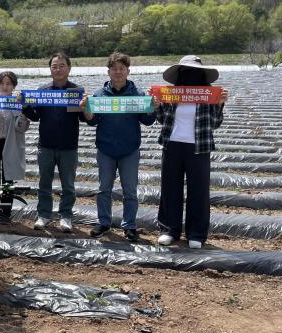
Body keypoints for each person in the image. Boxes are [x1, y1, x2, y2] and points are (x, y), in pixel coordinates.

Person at [79, 53, 155, 242]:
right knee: (104, 188)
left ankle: (129, 225)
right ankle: (103, 222)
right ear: (109, 72)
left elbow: (147, 120)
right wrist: (86, 110)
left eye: (122, 68)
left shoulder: (138, 95)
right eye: (114, 69)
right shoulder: (99, 95)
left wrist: (152, 107)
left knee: (130, 191)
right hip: (106, 149)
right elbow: (92, 121)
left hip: (129, 150)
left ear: (128, 71)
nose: (118, 72)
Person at [154, 55, 228, 249]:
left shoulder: (210, 94)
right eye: (186, 72)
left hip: (199, 146)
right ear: (179, 74)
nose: (190, 76)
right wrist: (156, 106)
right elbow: (163, 119)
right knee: (170, 188)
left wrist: (219, 105)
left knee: (199, 190)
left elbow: (215, 124)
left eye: (194, 72)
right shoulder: (171, 93)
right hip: (172, 144)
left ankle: (196, 233)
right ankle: (169, 230)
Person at [22, 53, 86, 232]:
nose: (58, 69)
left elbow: (84, 117)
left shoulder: (76, 91)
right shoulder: (43, 90)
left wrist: (85, 106)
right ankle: (44, 214)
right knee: (44, 183)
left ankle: (66, 216)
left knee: (69, 185)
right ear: (50, 69)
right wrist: (25, 105)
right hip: (46, 145)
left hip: (68, 146)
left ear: (69, 68)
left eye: (62, 66)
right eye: (55, 66)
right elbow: (35, 116)